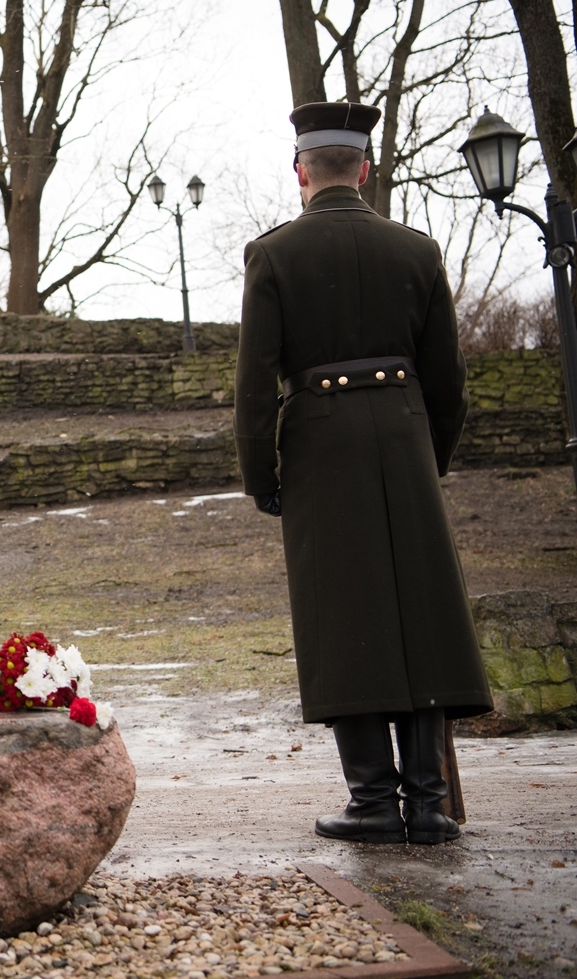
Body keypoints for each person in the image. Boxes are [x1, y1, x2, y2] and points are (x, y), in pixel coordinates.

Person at [235, 103, 493, 846]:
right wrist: (426, 458)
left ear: (301, 171)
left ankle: (374, 803)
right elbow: (450, 382)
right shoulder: (417, 250)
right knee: (423, 613)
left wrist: (262, 474)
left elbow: (255, 383)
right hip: (407, 436)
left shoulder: (274, 254)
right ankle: (431, 804)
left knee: (343, 614)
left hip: (319, 443)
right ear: (365, 168)